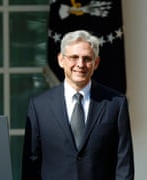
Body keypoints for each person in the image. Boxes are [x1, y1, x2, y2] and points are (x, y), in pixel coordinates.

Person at [22, 30, 134, 180]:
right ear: (61, 60)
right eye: (74, 57)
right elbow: (31, 165)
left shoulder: (116, 103)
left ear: (96, 63)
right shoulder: (39, 106)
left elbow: (124, 164)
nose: (80, 64)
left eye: (87, 58)